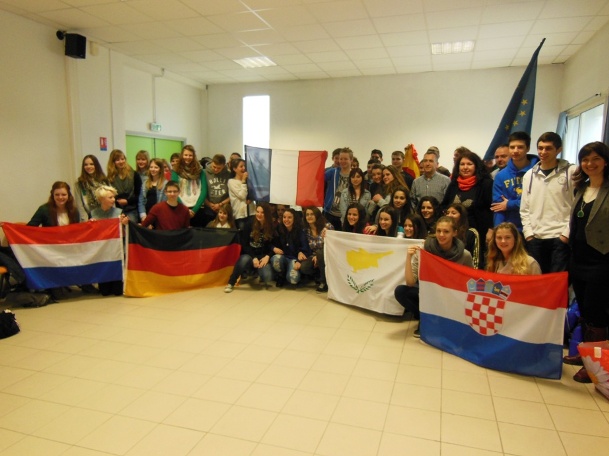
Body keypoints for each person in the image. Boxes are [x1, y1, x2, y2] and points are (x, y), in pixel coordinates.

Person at [563, 142, 609, 383]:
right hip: (578, 258)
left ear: (605, 161)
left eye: (595, 159)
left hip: (601, 261)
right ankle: (586, 355)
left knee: (596, 313)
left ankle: (596, 366)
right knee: (583, 309)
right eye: (585, 159)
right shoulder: (581, 188)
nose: (590, 164)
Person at [394, 216, 473, 336]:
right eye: (438, 231)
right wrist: (408, 257)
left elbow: (470, 282)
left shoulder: (465, 255)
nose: (441, 235)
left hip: (451, 297)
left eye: (446, 231)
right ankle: (424, 317)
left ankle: (442, 319)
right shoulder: (425, 250)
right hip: (429, 294)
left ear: (454, 233)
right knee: (401, 291)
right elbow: (410, 282)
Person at [520, 132, 575, 273]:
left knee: (557, 281)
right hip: (535, 238)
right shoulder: (529, 175)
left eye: (548, 148)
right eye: (540, 148)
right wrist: (528, 234)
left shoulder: (571, 172)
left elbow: (576, 206)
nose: (543, 152)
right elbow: (524, 208)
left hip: (560, 237)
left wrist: (565, 234)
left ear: (559, 150)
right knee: (537, 280)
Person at [442, 149, 493, 267]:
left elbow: (492, 208)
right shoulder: (454, 184)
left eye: (469, 164)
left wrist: (491, 229)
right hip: (456, 233)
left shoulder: (486, 184)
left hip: (479, 233)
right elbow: (444, 205)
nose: (465, 167)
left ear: (476, 166)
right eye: (462, 164)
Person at [491, 132, 538, 230]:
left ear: (528, 148)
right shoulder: (500, 176)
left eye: (520, 147)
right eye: (512, 147)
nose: (515, 151)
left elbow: (536, 201)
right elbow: (498, 207)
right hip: (510, 229)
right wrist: (498, 230)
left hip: (534, 227)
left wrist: (509, 204)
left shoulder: (537, 172)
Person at [224, 203, 275, 293]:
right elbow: (244, 244)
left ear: (267, 214)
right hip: (249, 254)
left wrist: (268, 256)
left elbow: (273, 245)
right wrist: (253, 257)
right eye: (257, 212)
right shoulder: (249, 223)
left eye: (262, 212)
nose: (259, 214)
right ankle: (231, 282)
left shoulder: (271, 227)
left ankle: (257, 272)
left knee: (268, 277)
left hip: (262, 256)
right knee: (244, 259)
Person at [90, 185, 127, 296]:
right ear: (102, 199)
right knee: (104, 292)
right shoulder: (93, 213)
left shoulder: (119, 212)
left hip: (116, 249)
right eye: (110, 197)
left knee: (117, 291)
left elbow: (125, 232)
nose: (113, 200)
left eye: (113, 197)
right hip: (101, 249)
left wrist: (124, 223)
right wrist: (90, 224)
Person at [271, 208, 311, 287]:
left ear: (294, 219)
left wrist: (300, 257)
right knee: (276, 259)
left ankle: (291, 272)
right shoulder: (278, 228)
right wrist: (273, 248)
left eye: (289, 217)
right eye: (284, 217)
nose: (286, 220)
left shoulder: (300, 231)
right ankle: (281, 275)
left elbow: (306, 248)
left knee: (293, 280)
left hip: (294, 259)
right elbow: (270, 243)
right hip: (283, 257)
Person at [171, 145, 207, 227]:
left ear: (194, 156)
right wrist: (185, 209)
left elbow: (204, 191)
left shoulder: (200, 170)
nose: (188, 157)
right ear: (182, 155)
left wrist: (194, 210)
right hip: (180, 208)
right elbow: (174, 190)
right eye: (186, 155)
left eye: (190, 155)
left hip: (198, 209)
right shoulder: (176, 170)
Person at [300, 206, 334, 293]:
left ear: (317, 215)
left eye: (312, 214)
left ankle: (324, 282)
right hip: (314, 255)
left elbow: (332, 245)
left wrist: (318, 255)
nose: (309, 216)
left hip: (327, 254)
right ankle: (318, 275)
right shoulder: (305, 230)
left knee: (320, 253)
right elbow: (306, 247)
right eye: (307, 215)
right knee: (304, 267)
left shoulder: (327, 227)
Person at [107, 149, 142, 223]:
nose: (121, 162)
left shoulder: (134, 174)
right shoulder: (110, 178)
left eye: (122, 159)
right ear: (113, 162)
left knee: (130, 226)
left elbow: (139, 195)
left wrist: (127, 201)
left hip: (132, 209)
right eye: (117, 160)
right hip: (116, 210)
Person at [323, 147, 353, 230]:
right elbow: (318, 177)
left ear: (351, 160)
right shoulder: (333, 172)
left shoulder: (354, 174)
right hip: (330, 212)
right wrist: (322, 161)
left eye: (345, 159)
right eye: (341, 159)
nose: (342, 161)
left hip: (345, 214)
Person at [75, 155, 109, 221]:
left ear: (96, 165)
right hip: (89, 217)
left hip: (106, 215)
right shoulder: (79, 183)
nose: (89, 166)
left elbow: (111, 199)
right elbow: (79, 205)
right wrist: (86, 219)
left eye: (91, 164)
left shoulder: (104, 180)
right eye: (86, 165)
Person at [445, 203, 480, 269]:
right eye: (447, 213)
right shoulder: (443, 232)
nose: (449, 215)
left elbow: (476, 260)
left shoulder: (471, 232)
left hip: (465, 270)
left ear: (461, 216)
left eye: (453, 213)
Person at [202, 154, 231, 226]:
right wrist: (209, 204)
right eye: (214, 167)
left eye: (219, 168)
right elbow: (201, 191)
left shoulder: (229, 174)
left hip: (224, 209)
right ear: (212, 162)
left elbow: (231, 194)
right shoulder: (204, 173)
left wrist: (221, 204)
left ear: (223, 166)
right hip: (209, 209)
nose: (215, 169)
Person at [228, 158, 255, 233]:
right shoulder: (231, 182)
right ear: (234, 169)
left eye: (245, 166)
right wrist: (243, 181)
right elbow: (242, 196)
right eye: (241, 166)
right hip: (240, 215)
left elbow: (254, 193)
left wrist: (251, 198)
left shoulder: (249, 180)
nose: (244, 168)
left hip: (251, 212)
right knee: (242, 236)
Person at [138, 158, 167, 222]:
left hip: (159, 217)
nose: (153, 169)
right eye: (151, 167)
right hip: (146, 215)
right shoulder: (145, 183)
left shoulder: (165, 184)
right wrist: (143, 217)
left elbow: (164, 204)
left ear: (160, 169)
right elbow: (141, 201)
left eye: (156, 167)